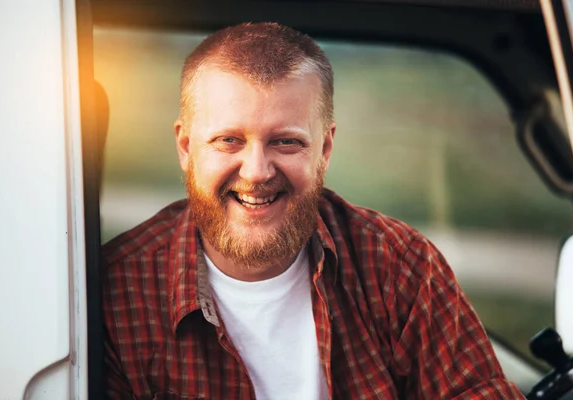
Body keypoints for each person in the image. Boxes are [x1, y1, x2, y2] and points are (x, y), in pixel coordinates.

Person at [101, 22, 525, 400]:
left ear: (324, 148)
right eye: (229, 140)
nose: (256, 172)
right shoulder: (114, 292)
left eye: (286, 142)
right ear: (186, 147)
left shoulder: (400, 266)